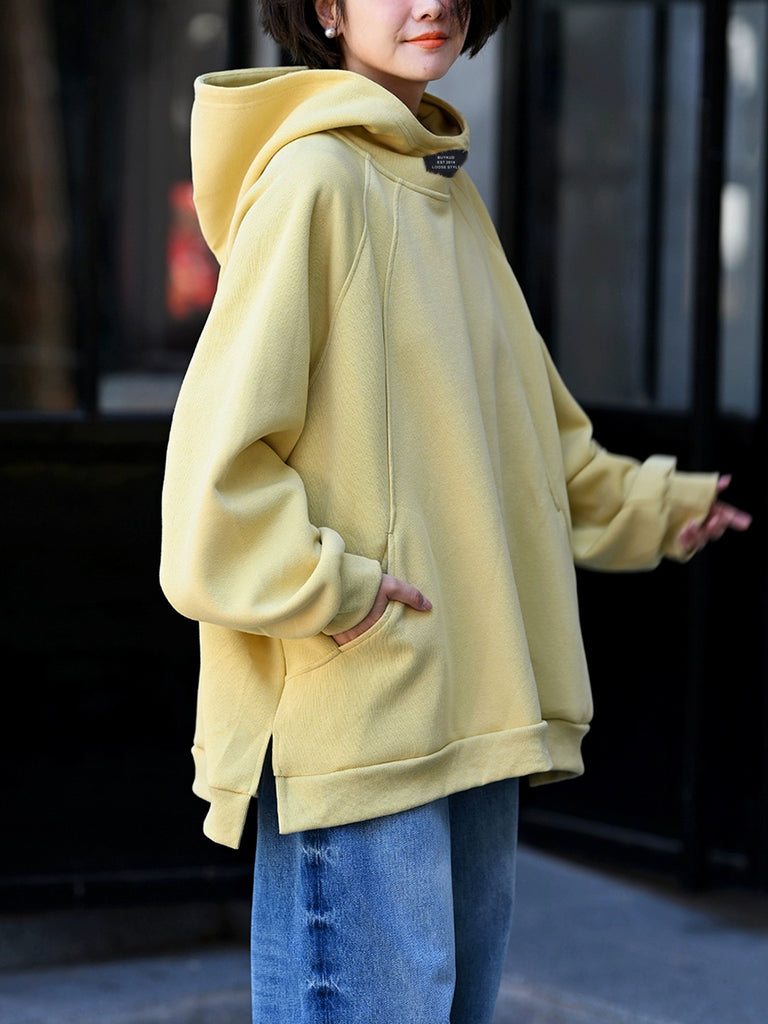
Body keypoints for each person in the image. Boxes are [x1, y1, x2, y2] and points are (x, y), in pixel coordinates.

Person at [159, 2, 752, 1021]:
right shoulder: (314, 181)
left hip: (473, 709)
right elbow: (214, 479)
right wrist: (335, 592)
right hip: (367, 714)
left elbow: (526, 441)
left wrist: (658, 507)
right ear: (326, 9)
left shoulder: (444, 191)